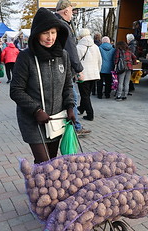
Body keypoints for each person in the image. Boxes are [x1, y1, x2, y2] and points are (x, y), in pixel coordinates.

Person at [10, 7, 75, 164]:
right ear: (37, 33)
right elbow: (16, 90)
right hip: (34, 120)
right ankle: (39, 185)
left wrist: (70, 106)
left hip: (56, 119)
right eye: (46, 33)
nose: (50, 37)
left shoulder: (63, 56)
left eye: (53, 33)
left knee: (51, 161)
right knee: (44, 161)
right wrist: (36, 110)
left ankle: (38, 185)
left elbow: (68, 85)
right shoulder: (26, 57)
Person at [55, 0, 90, 136]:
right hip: (63, 68)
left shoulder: (53, 23)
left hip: (55, 67)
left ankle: (70, 125)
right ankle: (75, 127)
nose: (72, 14)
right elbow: (71, 50)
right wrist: (79, 70)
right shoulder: (64, 26)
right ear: (65, 11)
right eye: (71, 11)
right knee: (72, 97)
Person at [76, 28, 102, 121]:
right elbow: (100, 61)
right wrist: (97, 71)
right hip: (94, 74)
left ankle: (90, 114)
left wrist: (75, 74)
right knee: (87, 94)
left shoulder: (78, 47)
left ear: (80, 36)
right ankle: (81, 108)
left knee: (84, 95)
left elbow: (76, 62)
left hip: (83, 75)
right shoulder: (96, 47)